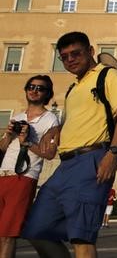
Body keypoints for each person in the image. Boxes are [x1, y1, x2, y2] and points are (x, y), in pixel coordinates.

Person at [22, 31, 117, 258]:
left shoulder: (107, 75)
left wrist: (113, 154)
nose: (70, 59)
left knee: (81, 237)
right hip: (65, 166)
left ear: (90, 51)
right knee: (37, 230)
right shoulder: (73, 88)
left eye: (76, 53)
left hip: (92, 159)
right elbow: (77, 120)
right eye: (64, 57)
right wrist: (56, 129)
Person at [0, 75, 60, 258]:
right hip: (2, 174)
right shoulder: (18, 117)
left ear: (47, 94)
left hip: (23, 177)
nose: (34, 90)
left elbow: (49, 154)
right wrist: (9, 136)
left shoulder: (51, 120)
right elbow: (2, 149)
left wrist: (27, 142)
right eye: (31, 87)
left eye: (40, 88)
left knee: (8, 235)